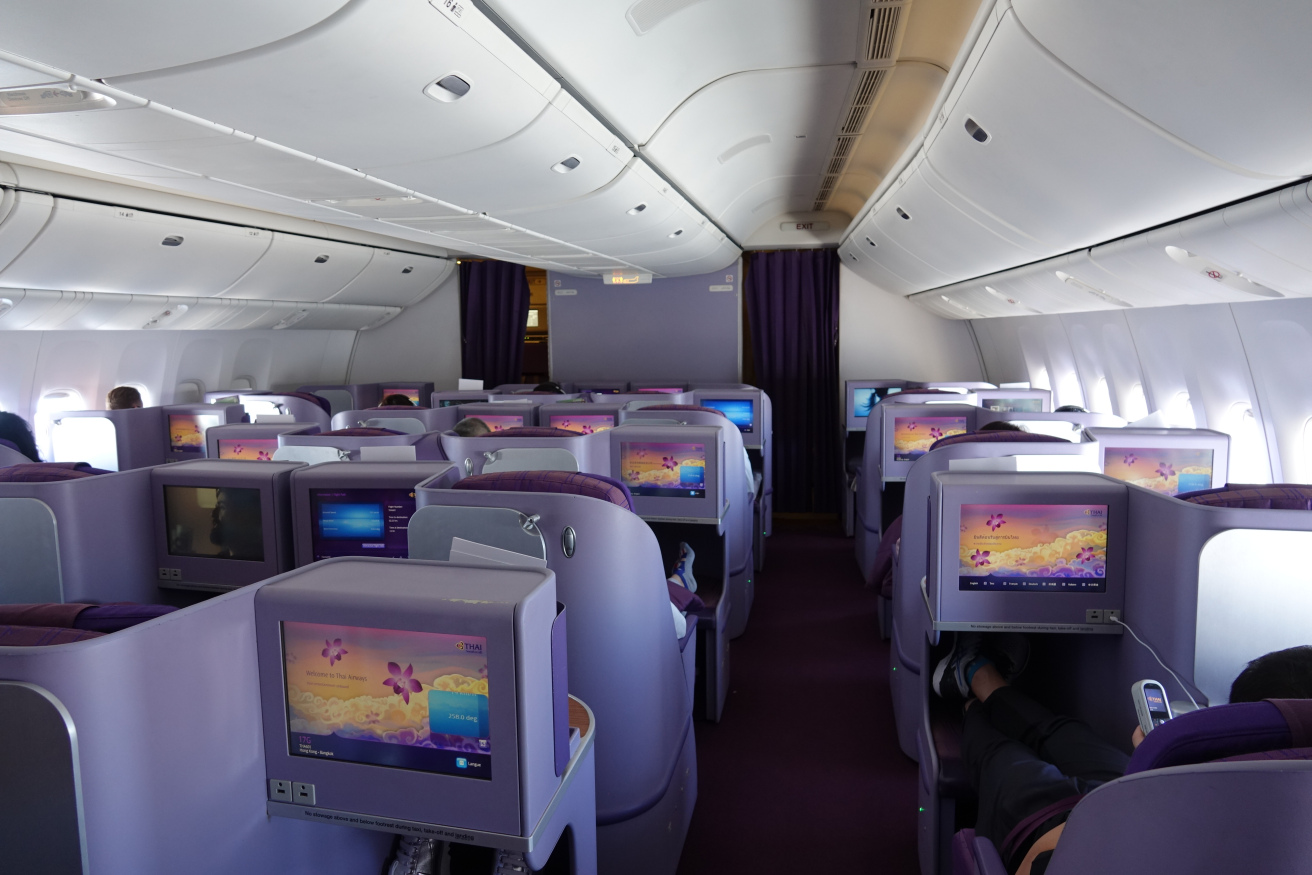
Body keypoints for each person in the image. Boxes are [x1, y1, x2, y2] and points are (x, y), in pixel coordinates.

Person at [935, 635, 1312, 875]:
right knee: (1064, 732)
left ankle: (973, 698)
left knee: (1005, 757)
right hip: (1136, 794)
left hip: (1075, 836)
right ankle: (981, 678)